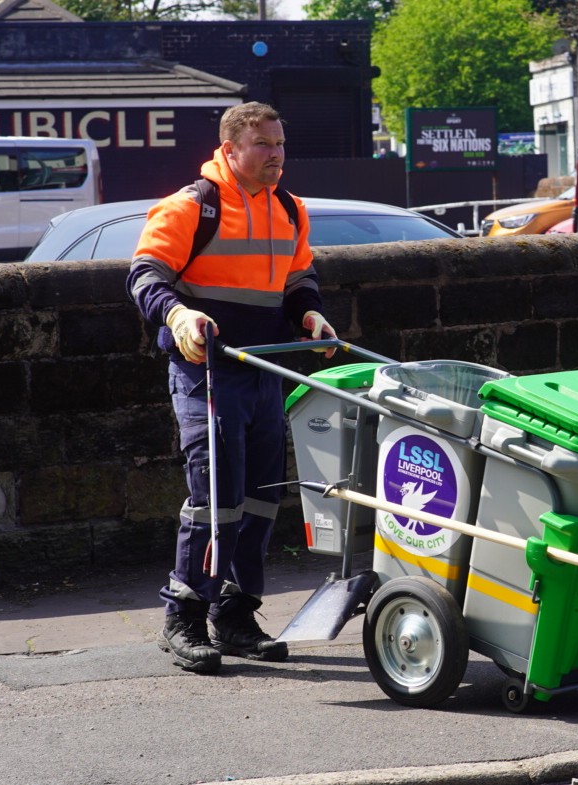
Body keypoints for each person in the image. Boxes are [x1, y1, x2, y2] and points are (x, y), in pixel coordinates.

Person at [127, 101, 338, 674]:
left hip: (263, 369)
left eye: (280, 144)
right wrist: (177, 317)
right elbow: (145, 276)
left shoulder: (290, 209)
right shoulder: (192, 206)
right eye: (263, 144)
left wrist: (310, 315)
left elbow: (297, 278)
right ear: (231, 148)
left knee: (262, 496)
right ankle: (186, 617)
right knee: (214, 498)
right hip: (208, 372)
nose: (276, 155)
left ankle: (236, 614)